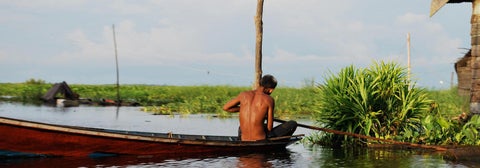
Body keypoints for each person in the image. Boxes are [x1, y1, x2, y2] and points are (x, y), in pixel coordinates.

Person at [223, 74, 297, 141]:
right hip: (260, 139)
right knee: (293, 123)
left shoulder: (243, 95)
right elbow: (269, 128)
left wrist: (246, 108)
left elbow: (226, 108)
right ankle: (280, 143)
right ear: (271, 89)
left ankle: (241, 140)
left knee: (241, 127)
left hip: (243, 139)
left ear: (260, 84)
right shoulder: (269, 100)